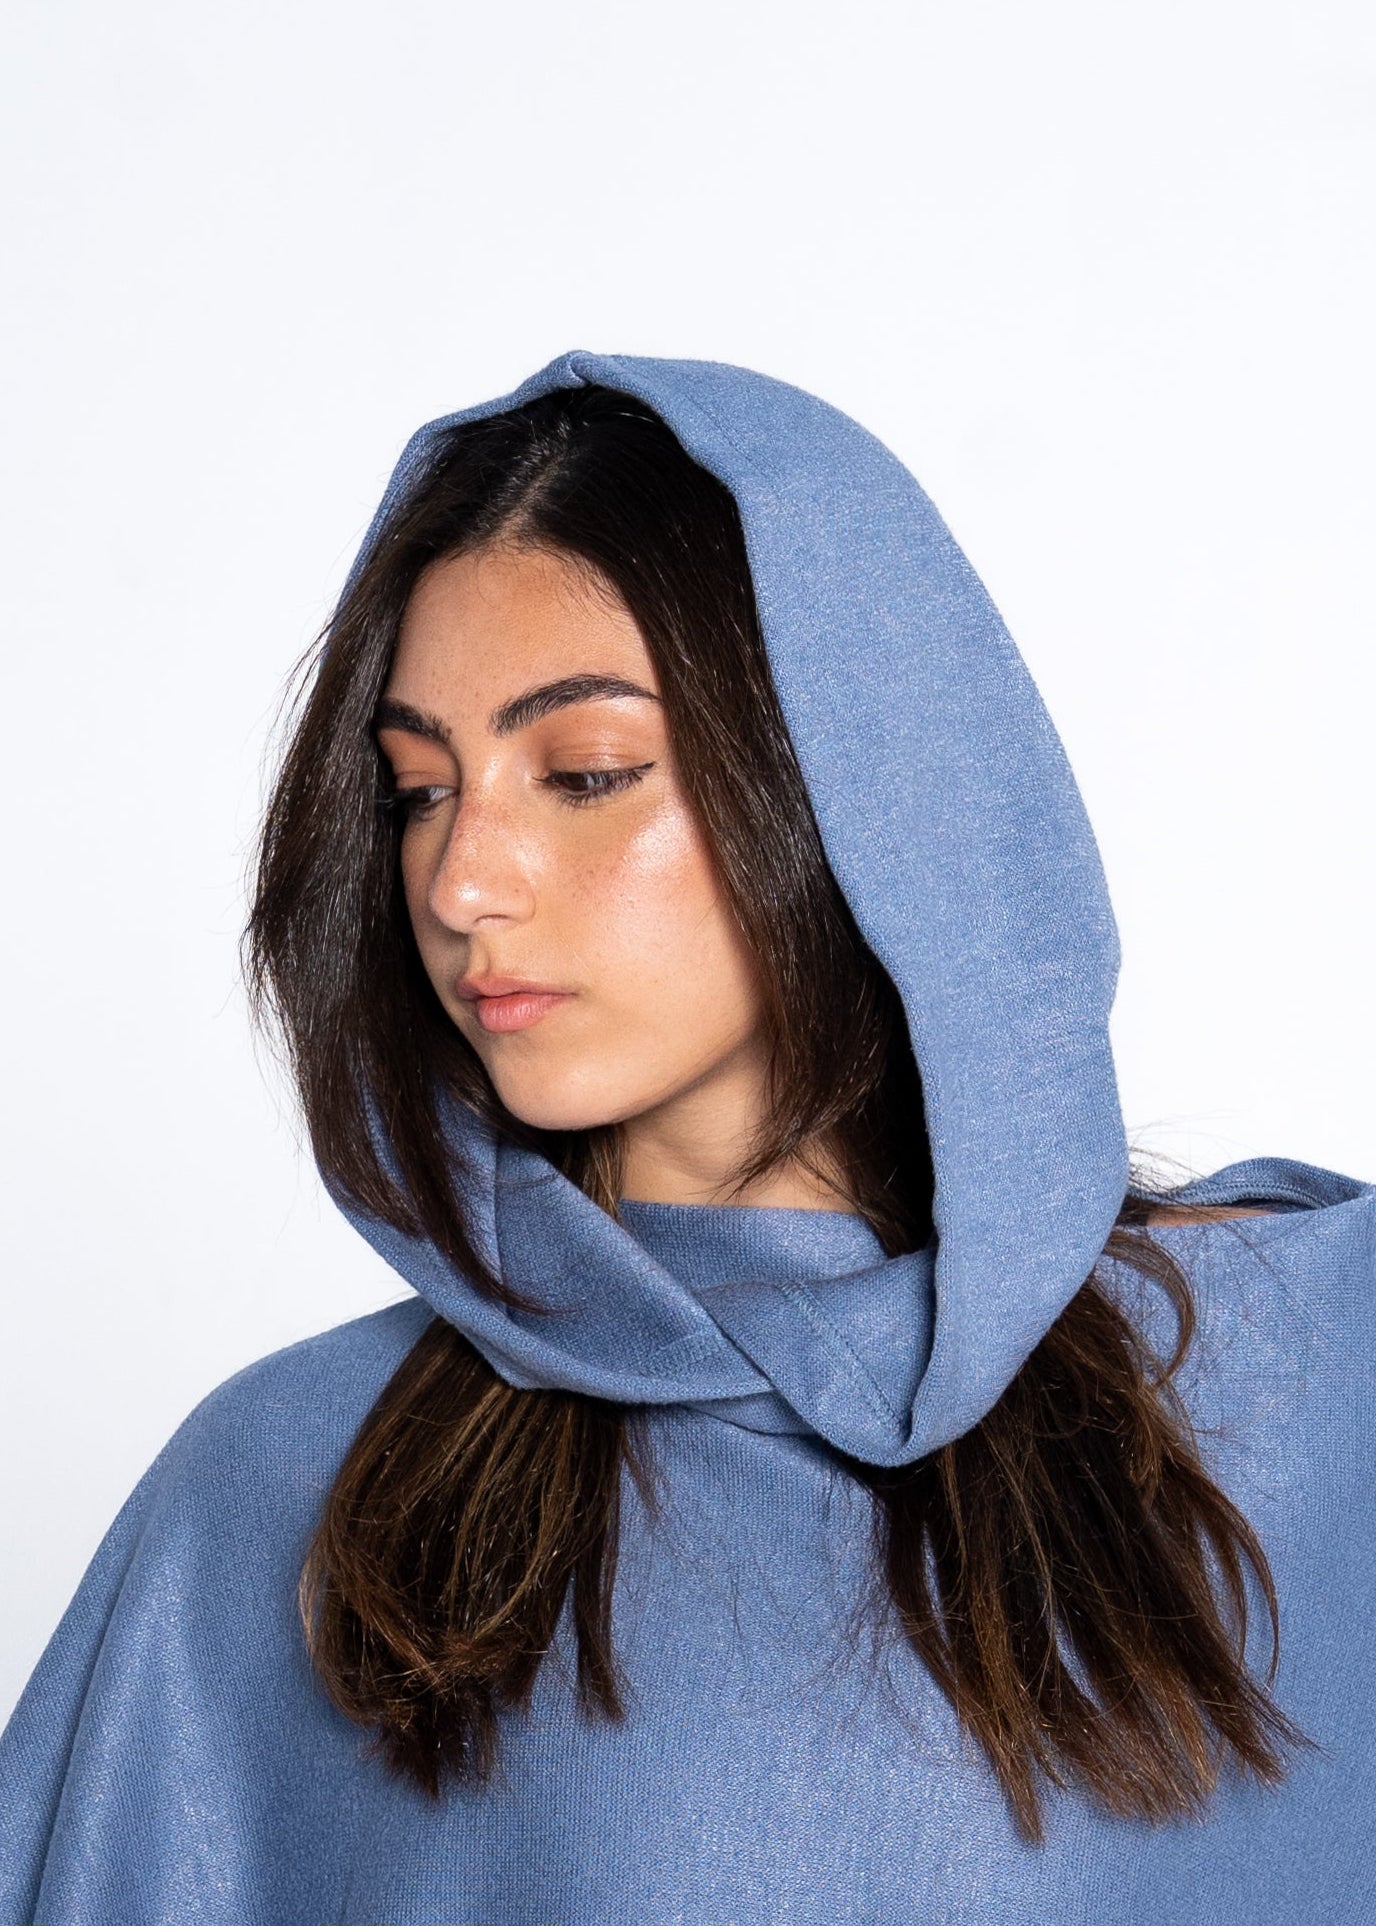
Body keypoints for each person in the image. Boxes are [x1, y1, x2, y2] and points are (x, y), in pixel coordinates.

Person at [1, 352, 1371, 1924]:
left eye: (583, 774)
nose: (462, 879)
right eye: (418, 791)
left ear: (861, 782)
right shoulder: (292, 1484)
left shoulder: (1304, 1372)